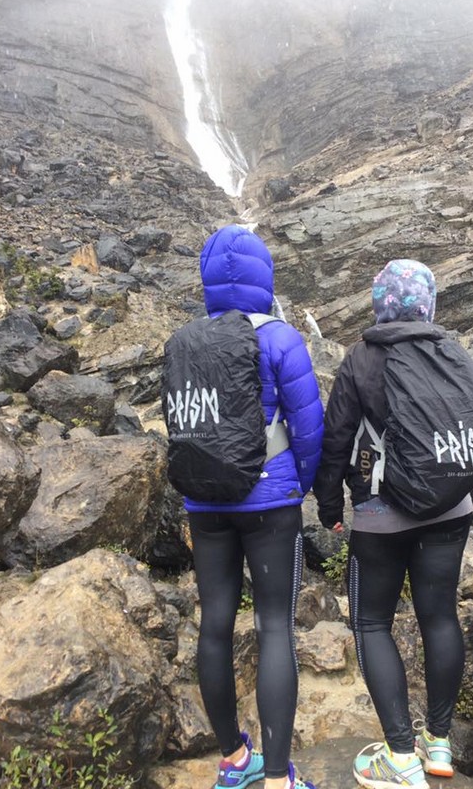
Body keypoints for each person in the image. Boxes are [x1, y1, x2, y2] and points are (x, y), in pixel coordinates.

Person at [313, 259, 473, 789]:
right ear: (429, 303)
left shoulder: (362, 358)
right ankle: (438, 747)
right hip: (452, 508)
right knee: (440, 619)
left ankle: (400, 756)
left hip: (383, 514)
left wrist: (330, 509)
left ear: (379, 303)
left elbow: (335, 439)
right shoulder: (455, 353)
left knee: (372, 624)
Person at [185, 225, 323, 789]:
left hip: (205, 502)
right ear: (265, 277)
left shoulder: (186, 339)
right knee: (274, 629)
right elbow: (309, 426)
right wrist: (300, 485)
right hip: (271, 504)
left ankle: (232, 762)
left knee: (214, 626)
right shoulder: (281, 337)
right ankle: (277, 778)